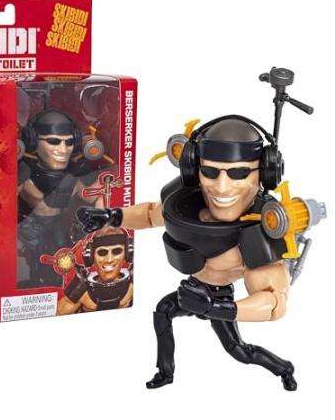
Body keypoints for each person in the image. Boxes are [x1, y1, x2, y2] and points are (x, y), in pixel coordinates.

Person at [76, 116, 300, 391]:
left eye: (239, 173)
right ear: (194, 169)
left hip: (219, 299)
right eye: (210, 172)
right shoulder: (186, 205)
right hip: (194, 288)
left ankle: (285, 369)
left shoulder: (256, 231)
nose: (222, 187)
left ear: (265, 173)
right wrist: (112, 216)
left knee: (239, 351)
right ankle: (165, 371)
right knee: (163, 312)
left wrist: (219, 308)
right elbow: (149, 215)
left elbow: (274, 303)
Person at [17, 109, 104, 288]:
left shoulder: (73, 176)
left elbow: (92, 197)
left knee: (64, 264)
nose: (63, 150)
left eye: (69, 142)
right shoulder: (24, 173)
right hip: (31, 228)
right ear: (33, 141)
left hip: (60, 227)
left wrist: (105, 177)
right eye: (54, 142)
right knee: (39, 262)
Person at [57, 226, 133, 314]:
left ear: (127, 253)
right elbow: (57, 314)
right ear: (90, 256)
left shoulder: (133, 283)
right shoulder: (80, 289)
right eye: (102, 252)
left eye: (117, 251)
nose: (109, 259)